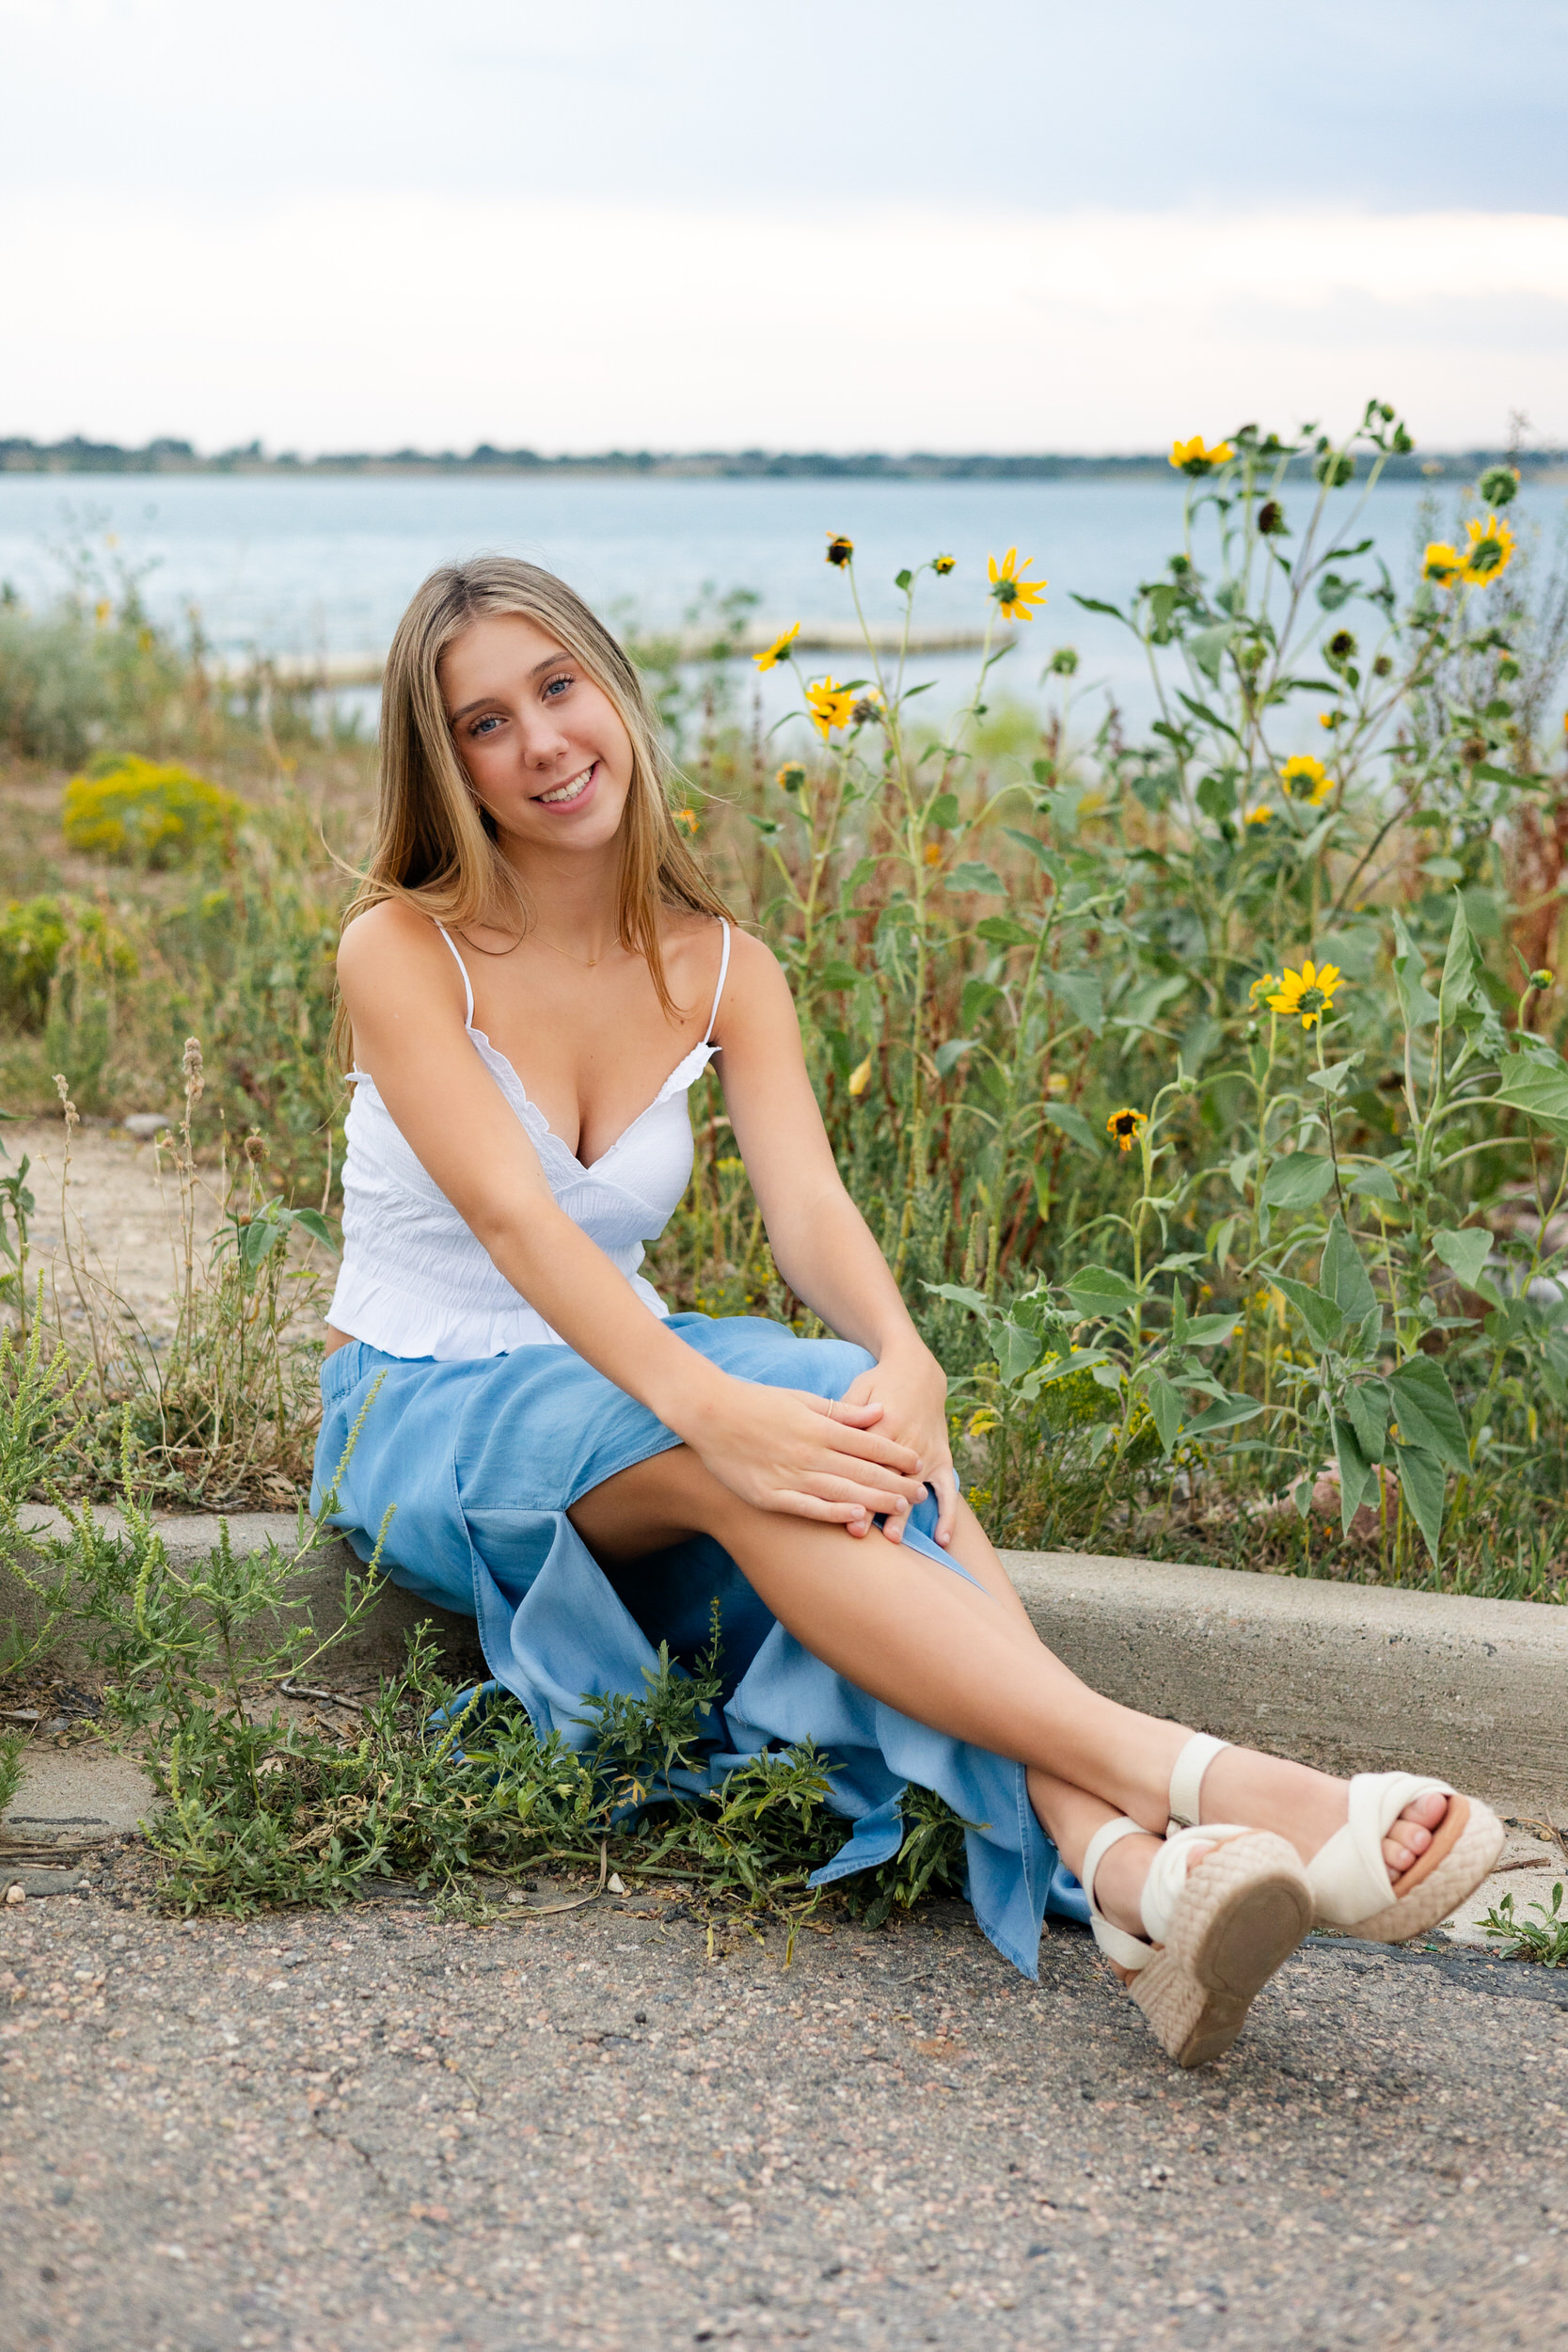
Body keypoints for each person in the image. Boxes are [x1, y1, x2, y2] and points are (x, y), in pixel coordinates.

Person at [314, 556, 1503, 2070]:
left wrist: (908, 1355)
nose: (542, 744)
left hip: (620, 1392)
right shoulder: (401, 946)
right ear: (448, 766)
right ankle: (1231, 1787)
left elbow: (806, 1210)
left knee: (843, 1409)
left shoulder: (726, 963)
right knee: (764, 1436)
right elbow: (513, 1220)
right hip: (422, 1404)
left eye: (558, 689)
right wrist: (712, 1406)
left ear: (613, 689)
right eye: (485, 723)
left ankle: (1132, 1880)